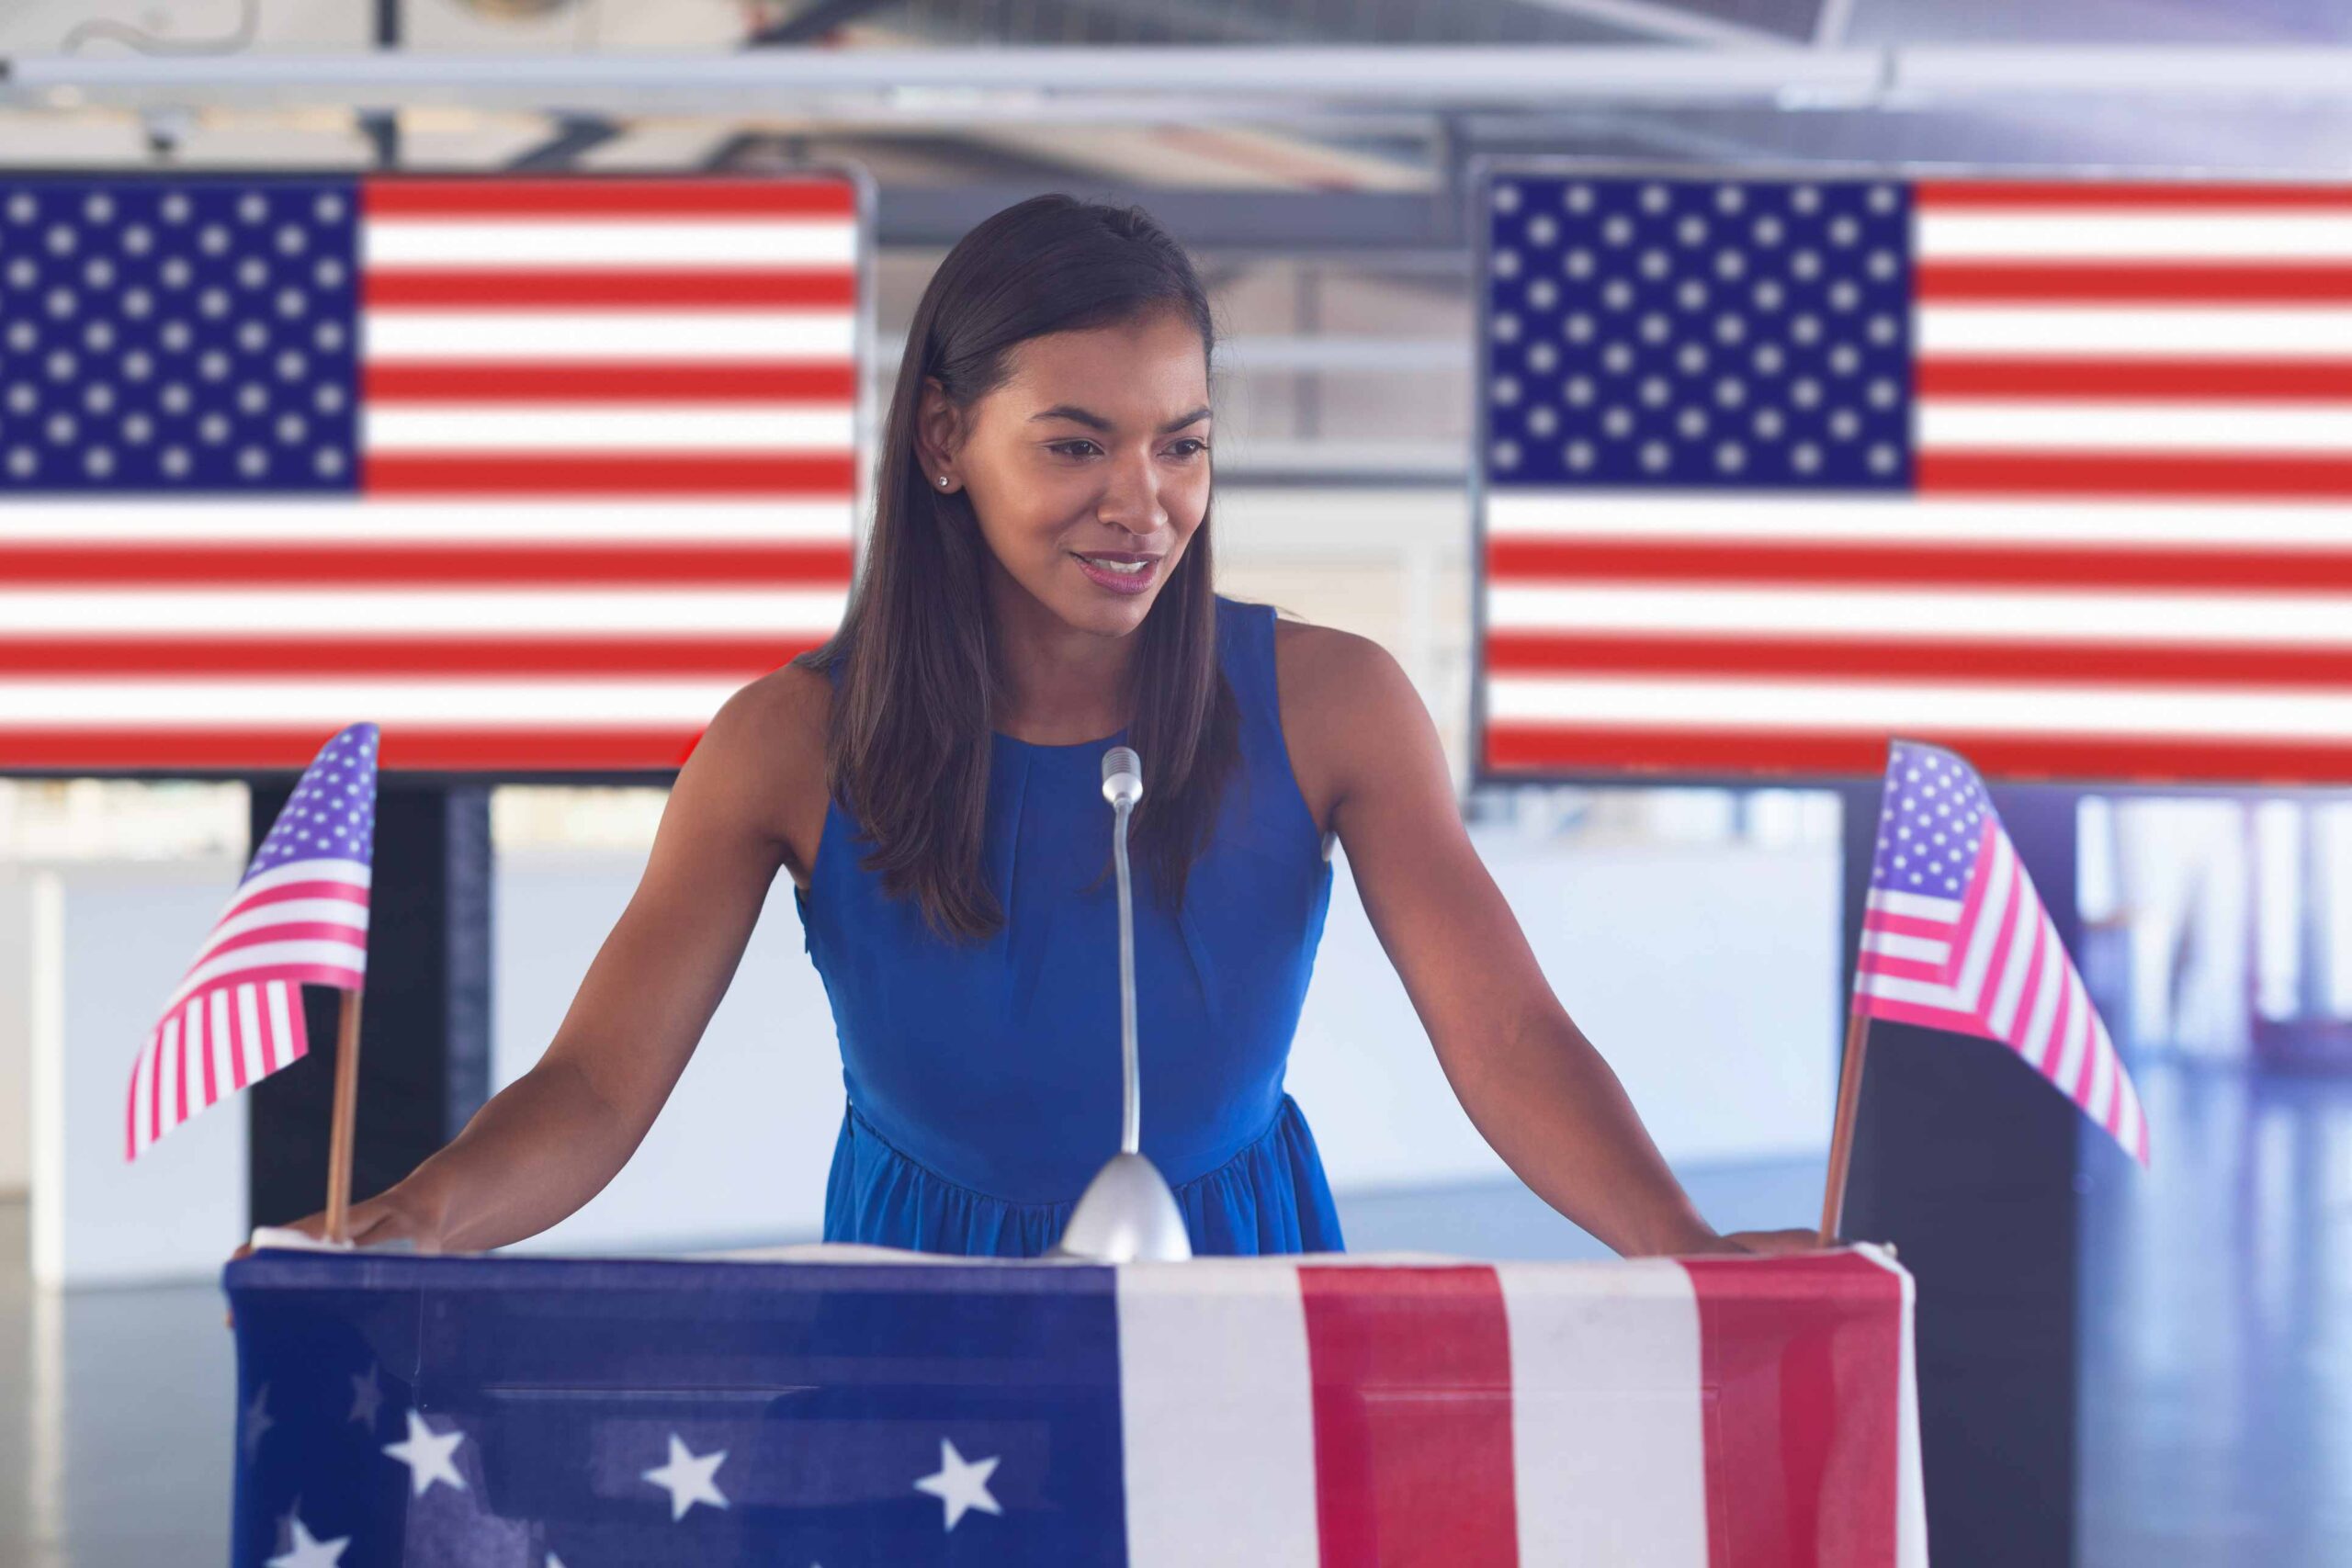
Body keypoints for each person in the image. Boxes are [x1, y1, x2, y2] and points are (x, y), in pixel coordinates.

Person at [243, 194, 1812, 1263]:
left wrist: (1681, 1249)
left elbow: (1508, 1037)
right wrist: (409, 1222)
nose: (1144, 506)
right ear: (943, 440)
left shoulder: (1337, 703)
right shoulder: (784, 743)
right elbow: (596, 1090)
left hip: (1236, 1253)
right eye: (1076, 445)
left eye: (1182, 447)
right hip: (927, 1283)